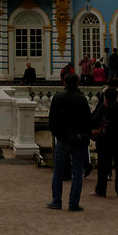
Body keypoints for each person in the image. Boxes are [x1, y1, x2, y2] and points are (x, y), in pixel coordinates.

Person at [47, 72, 91, 212]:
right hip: (77, 139)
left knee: (58, 170)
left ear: (64, 82)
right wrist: (85, 136)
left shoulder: (58, 97)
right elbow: (87, 121)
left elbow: (52, 119)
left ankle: (56, 201)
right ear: (77, 83)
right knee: (77, 171)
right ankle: (73, 203)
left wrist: (58, 134)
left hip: (63, 139)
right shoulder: (81, 99)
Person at [91, 86, 118, 198]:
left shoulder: (104, 108)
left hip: (105, 141)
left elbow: (95, 121)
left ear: (105, 97)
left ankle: (101, 189)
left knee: (103, 167)